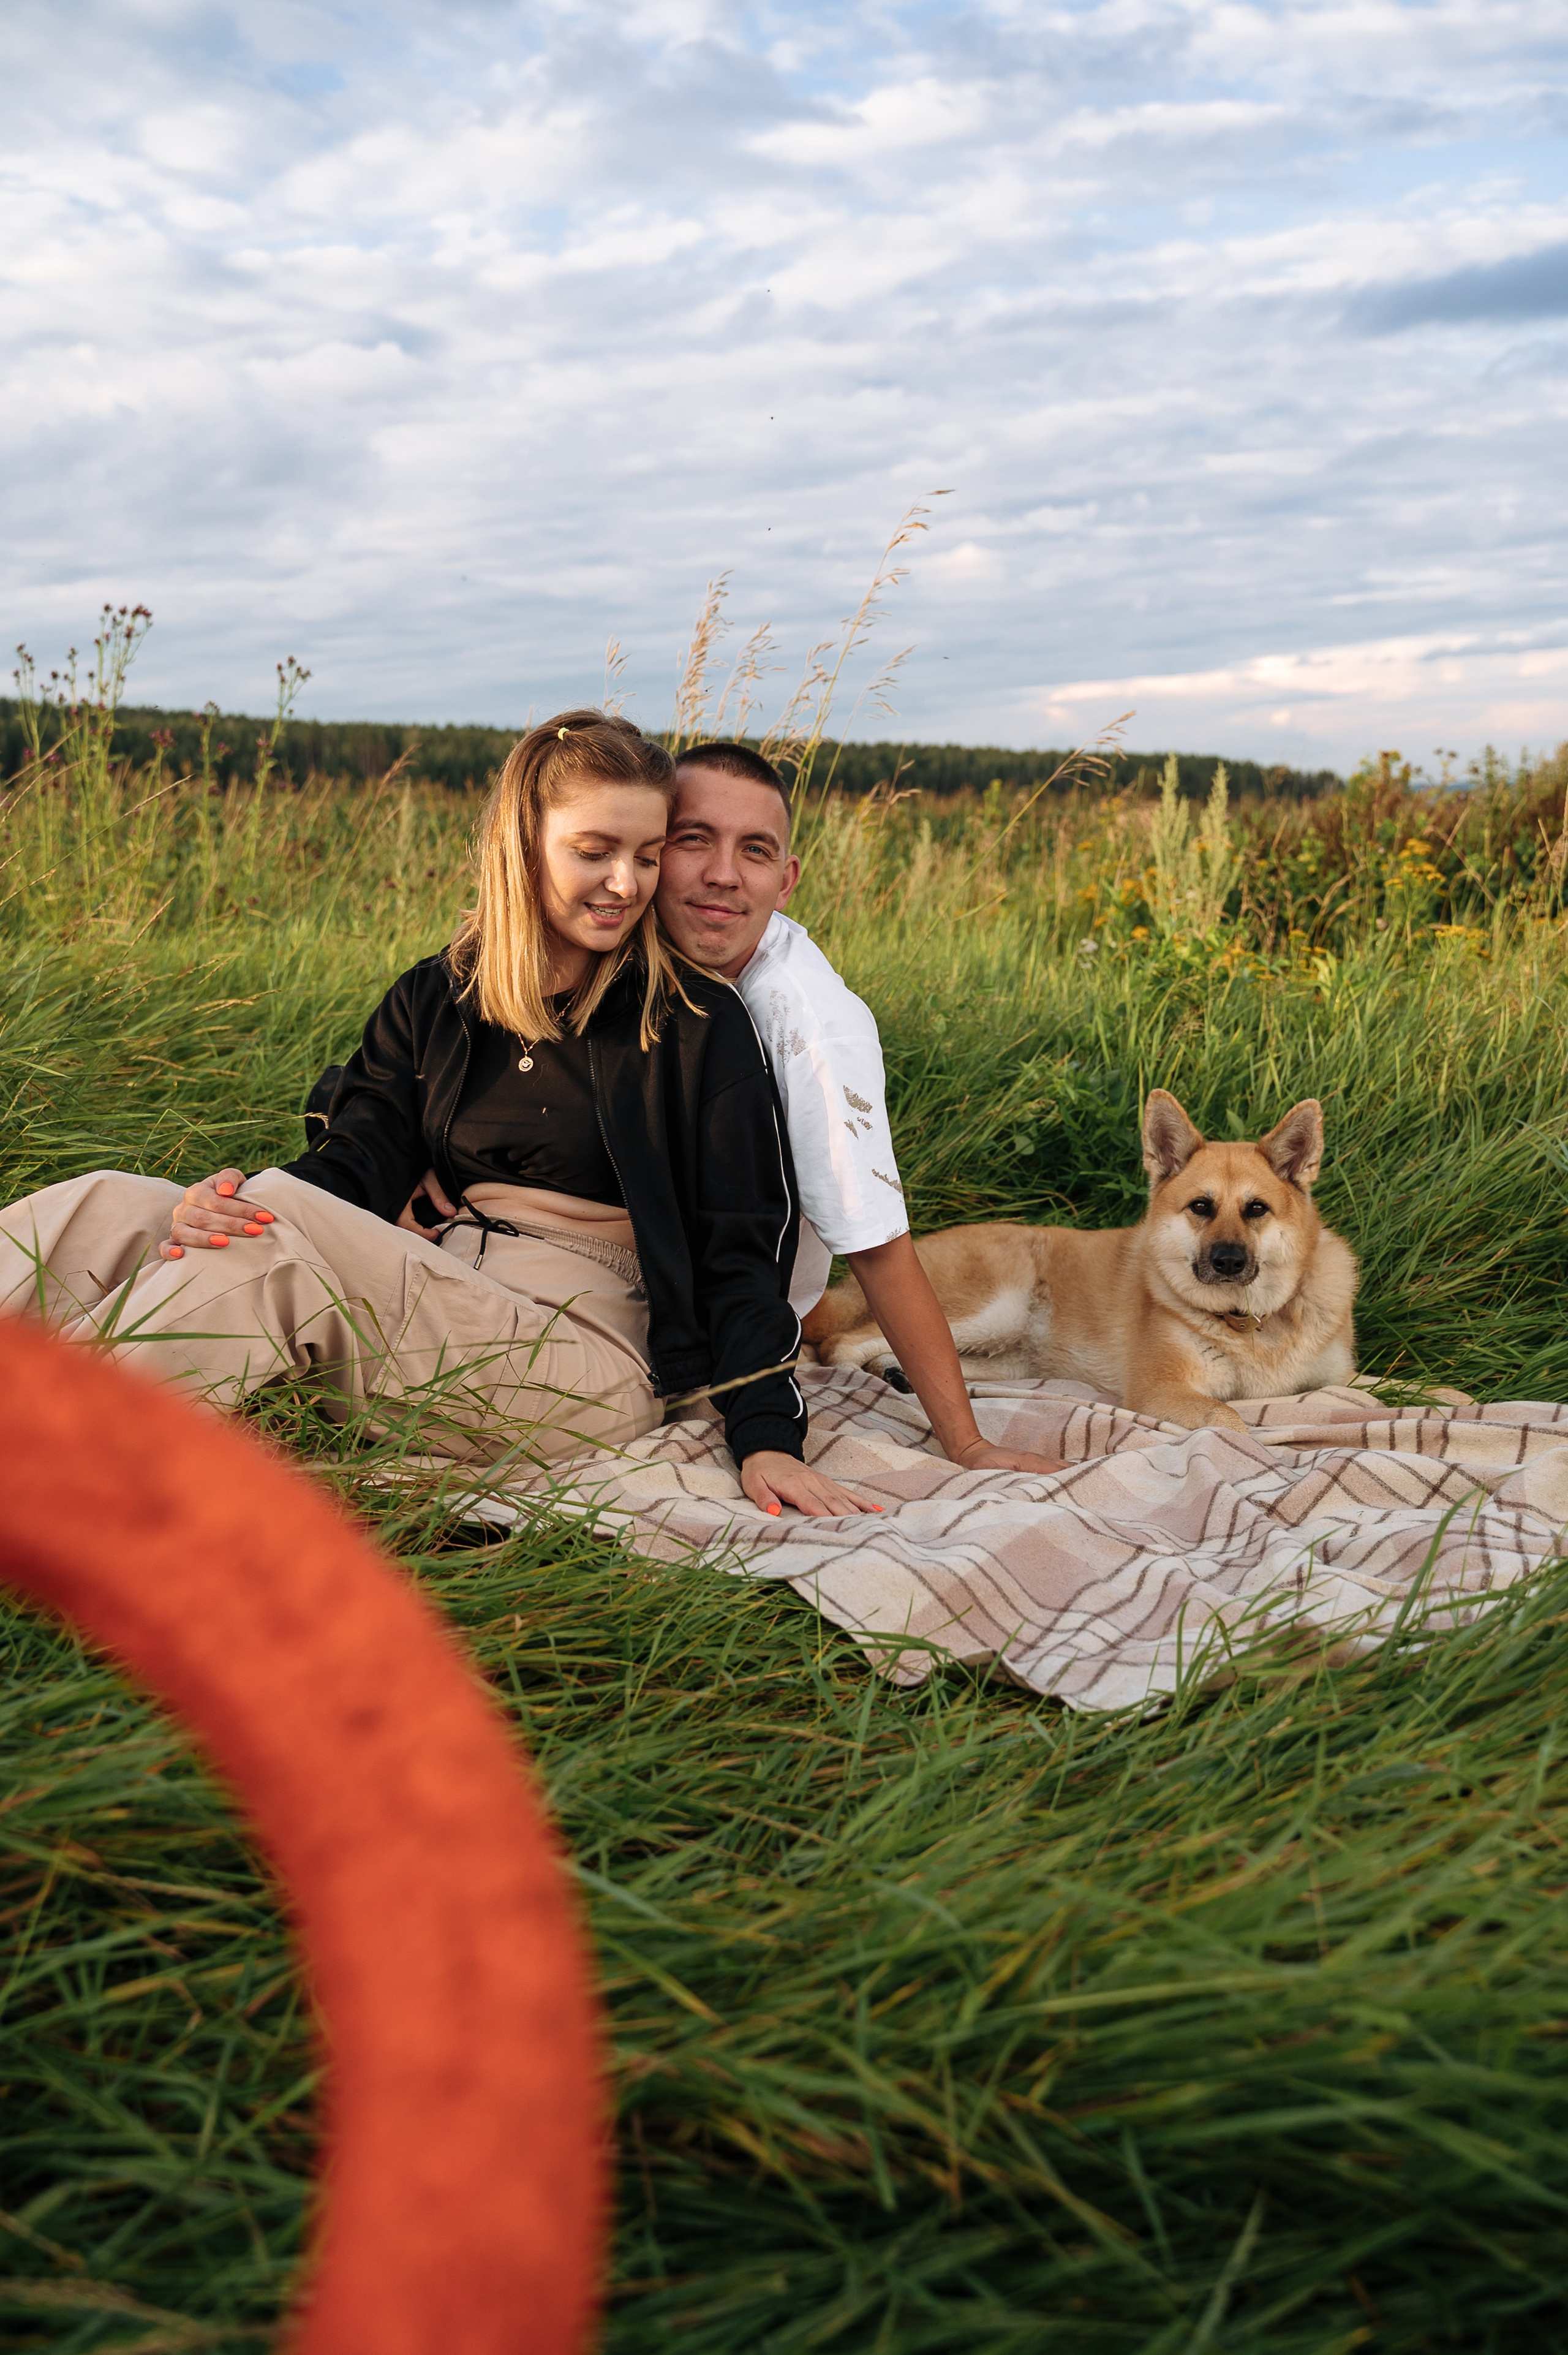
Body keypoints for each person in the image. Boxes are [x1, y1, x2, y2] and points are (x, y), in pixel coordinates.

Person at [0, 712, 875, 1519]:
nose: (625, 883)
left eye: (647, 856)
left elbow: (739, 1252)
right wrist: (235, 1204)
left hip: (588, 1355)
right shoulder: (441, 995)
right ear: (521, 846)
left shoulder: (690, 1021)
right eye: (595, 851)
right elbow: (356, 1161)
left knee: (271, 1228)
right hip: (442, 1290)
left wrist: (767, 1434)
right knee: (115, 1202)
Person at [409, 739, 1058, 1478]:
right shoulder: (625, 943)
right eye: (693, 840)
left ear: (786, 881)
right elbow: (462, 1062)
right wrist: (417, 1158)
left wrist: (966, 1442)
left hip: (704, 1321)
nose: (723, 874)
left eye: (754, 851)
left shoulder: (808, 1028)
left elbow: (877, 1245)